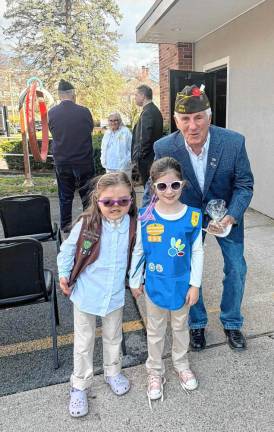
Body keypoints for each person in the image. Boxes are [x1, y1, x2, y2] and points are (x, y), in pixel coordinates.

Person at [143, 84, 254, 352]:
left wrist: (232, 215)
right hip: (185, 217)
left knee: (237, 268)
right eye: (185, 119)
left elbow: (244, 184)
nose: (192, 126)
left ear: (209, 117)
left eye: (198, 117)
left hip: (224, 217)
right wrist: (145, 221)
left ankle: (231, 322)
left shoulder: (233, 142)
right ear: (176, 121)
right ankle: (197, 324)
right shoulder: (164, 146)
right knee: (189, 269)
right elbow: (153, 186)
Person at [57, 172, 137, 418]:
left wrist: (135, 281)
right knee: (84, 342)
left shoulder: (134, 225)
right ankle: (80, 384)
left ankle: (113, 372)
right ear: (97, 200)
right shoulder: (87, 223)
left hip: (113, 295)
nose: (116, 206)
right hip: (86, 294)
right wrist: (63, 274)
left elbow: (138, 255)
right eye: (108, 202)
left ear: (131, 200)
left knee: (114, 336)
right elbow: (67, 250)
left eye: (123, 201)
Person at [129, 157, 204, 408]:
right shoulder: (146, 215)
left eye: (174, 185)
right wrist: (134, 278)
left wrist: (195, 284)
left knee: (181, 327)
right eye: (162, 186)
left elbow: (198, 252)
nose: (169, 191)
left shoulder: (193, 216)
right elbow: (139, 250)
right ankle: (155, 370)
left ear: (182, 185)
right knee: (155, 329)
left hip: (182, 286)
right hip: (155, 285)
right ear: (152, 186)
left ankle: (181, 364)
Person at [48, 79, 95, 233]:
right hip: (83, 161)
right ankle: (89, 226)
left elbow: (53, 132)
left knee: (65, 197)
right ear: (73, 94)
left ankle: (66, 229)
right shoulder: (84, 111)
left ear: (60, 95)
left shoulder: (52, 113)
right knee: (87, 196)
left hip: (62, 162)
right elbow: (90, 129)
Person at [131, 84, 163, 186]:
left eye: (136, 95)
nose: (134, 98)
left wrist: (139, 159)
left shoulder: (148, 112)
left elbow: (145, 138)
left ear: (143, 96)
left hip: (147, 160)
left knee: (149, 190)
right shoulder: (153, 110)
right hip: (151, 158)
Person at [100, 112, 132, 179]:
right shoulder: (107, 133)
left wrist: (127, 161)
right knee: (111, 187)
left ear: (119, 121)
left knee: (124, 186)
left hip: (122, 167)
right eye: (111, 120)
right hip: (109, 167)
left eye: (115, 120)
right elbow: (103, 148)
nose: (113, 123)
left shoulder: (126, 132)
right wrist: (103, 160)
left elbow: (131, 148)